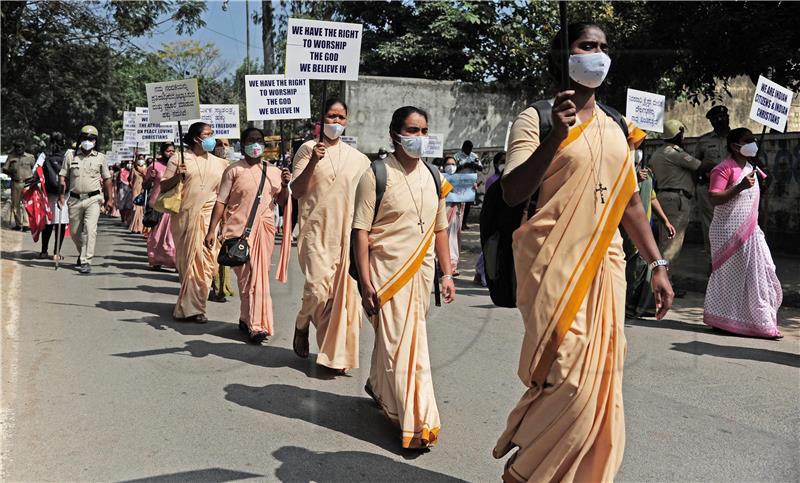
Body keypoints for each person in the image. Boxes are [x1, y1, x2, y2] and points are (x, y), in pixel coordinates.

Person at [493, 23, 674, 482]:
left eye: (603, 47)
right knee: (569, 375)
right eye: (586, 46)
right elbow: (513, 192)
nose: (598, 54)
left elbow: (630, 202)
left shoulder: (617, 125)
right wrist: (555, 135)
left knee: (603, 378)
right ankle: (528, 469)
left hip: (606, 262)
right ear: (564, 56)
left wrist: (656, 264)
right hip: (550, 260)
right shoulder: (534, 118)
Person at [352, 105, 456, 449]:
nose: (419, 138)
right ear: (394, 134)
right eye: (412, 131)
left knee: (400, 344)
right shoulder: (376, 174)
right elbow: (361, 232)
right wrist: (365, 281)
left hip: (421, 276)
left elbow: (441, 228)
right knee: (404, 349)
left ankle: (379, 386)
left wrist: (447, 273)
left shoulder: (434, 176)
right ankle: (418, 423)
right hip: (385, 276)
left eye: (424, 131)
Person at [290, 98, 371, 374]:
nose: (336, 122)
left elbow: (367, 201)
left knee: (342, 298)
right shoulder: (307, 149)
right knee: (316, 289)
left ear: (347, 121)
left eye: (341, 117)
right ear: (321, 119)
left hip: (346, 237)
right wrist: (313, 160)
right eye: (331, 116)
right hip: (314, 233)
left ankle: (333, 355)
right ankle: (302, 322)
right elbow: (297, 191)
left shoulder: (360, 160)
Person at [205, 127, 291, 344]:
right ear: (242, 144)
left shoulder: (274, 171)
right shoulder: (233, 171)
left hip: (265, 231)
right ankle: (250, 319)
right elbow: (221, 201)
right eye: (251, 140)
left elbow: (281, 201)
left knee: (256, 278)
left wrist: (286, 184)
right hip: (237, 232)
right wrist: (211, 230)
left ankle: (254, 324)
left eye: (259, 140)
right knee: (247, 279)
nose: (256, 144)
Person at [703, 128, 782, 338]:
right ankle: (722, 318)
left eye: (754, 139)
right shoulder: (723, 169)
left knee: (763, 270)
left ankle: (760, 320)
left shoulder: (752, 167)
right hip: (727, 231)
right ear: (734, 146)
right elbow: (714, 198)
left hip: (751, 231)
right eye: (748, 140)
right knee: (729, 276)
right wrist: (739, 188)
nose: (753, 143)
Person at [160, 122, 228, 322]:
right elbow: (164, 186)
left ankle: (195, 308)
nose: (211, 138)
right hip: (184, 217)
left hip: (209, 219)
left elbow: (224, 195)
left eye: (212, 134)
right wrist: (177, 177)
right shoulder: (179, 158)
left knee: (206, 263)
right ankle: (191, 304)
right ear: (196, 138)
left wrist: (224, 221)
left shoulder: (220, 163)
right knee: (187, 263)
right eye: (207, 134)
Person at [623, 150, 676, 317]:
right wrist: (633, 180)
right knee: (630, 266)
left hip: (645, 224)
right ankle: (625, 305)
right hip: (626, 227)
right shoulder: (624, 167)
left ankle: (639, 305)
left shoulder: (648, 173)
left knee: (642, 264)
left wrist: (665, 221)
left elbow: (652, 198)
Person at [57, 125, 113, 274]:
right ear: (80, 139)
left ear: (95, 141)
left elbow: (107, 180)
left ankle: (86, 261)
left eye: (91, 139)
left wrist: (110, 199)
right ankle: (83, 251)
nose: (87, 141)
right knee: (75, 232)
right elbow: (63, 177)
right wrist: (61, 195)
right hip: (74, 199)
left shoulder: (100, 158)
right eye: (84, 138)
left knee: (90, 230)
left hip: (93, 198)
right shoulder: (70, 156)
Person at [650, 119, 702, 273]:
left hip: (662, 198)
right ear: (678, 134)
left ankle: (658, 281)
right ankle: (665, 283)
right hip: (676, 200)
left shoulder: (657, 153)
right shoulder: (676, 153)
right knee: (671, 245)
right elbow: (699, 165)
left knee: (664, 242)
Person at [695, 105, 730, 257]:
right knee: (709, 225)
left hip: (733, 188)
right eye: (715, 119)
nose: (720, 120)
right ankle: (713, 260)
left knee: (732, 224)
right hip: (709, 189)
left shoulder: (737, 137)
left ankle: (731, 260)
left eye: (723, 117)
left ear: (728, 118)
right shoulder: (704, 141)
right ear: (711, 122)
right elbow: (696, 164)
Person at [474, 151, 506, 286]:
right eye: (502, 161)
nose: (504, 164)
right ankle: (482, 272)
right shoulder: (492, 180)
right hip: (493, 217)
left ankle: (479, 271)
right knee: (490, 246)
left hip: (504, 218)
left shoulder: (511, 178)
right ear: (496, 164)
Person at [210, 137, 236, 302]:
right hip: (210, 213)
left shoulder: (235, 167)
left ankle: (223, 287)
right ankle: (213, 285)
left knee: (225, 252)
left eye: (225, 144)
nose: (222, 147)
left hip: (230, 215)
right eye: (219, 144)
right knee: (212, 252)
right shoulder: (210, 165)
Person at [145, 142, 176, 270]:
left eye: (173, 151)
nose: (171, 153)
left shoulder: (178, 165)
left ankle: (176, 261)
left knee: (173, 236)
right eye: (168, 151)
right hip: (157, 204)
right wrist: (150, 178)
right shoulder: (154, 166)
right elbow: (145, 186)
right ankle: (156, 260)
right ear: (162, 152)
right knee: (157, 236)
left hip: (173, 204)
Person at [39, 132, 69, 259]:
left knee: (48, 222)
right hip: (64, 193)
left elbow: (37, 170)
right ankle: (56, 253)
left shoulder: (44, 154)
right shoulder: (68, 154)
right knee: (61, 223)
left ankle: (44, 251)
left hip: (49, 193)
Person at [5, 141, 35, 230]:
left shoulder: (30, 157)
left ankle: (26, 224)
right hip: (16, 183)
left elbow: (34, 168)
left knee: (27, 204)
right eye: (17, 147)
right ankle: (19, 224)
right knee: (15, 204)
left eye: (20, 147)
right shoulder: (11, 157)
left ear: (24, 148)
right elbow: (5, 169)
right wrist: (10, 172)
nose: (18, 149)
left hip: (28, 184)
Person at [442, 156, 464, 275]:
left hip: (455, 213)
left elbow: (464, 195)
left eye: (453, 164)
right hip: (443, 212)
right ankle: (442, 264)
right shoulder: (439, 179)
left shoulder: (461, 180)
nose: (451, 167)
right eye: (448, 164)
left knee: (453, 239)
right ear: (444, 166)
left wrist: (470, 189)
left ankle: (452, 265)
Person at [453, 140, 482, 229]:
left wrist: (474, 165)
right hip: (459, 182)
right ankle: (456, 222)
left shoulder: (474, 156)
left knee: (468, 204)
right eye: (467, 149)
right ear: (463, 148)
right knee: (458, 203)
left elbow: (480, 168)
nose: (469, 150)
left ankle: (464, 223)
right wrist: (465, 165)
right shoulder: (457, 156)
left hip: (470, 183)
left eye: (470, 149)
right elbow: (453, 169)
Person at [128, 154, 146, 234]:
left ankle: (141, 227)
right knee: (135, 207)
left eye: (142, 158)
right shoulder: (133, 169)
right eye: (140, 158)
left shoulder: (147, 168)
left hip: (143, 189)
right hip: (135, 189)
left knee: (142, 208)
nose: (141, 160)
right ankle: (134, 226)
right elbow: (129, 179)